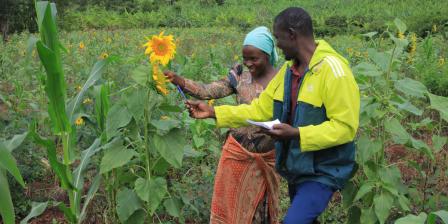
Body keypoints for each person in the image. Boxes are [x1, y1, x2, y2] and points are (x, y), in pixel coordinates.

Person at [185, 7, 360, 224]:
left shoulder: (334, 71)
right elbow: (259, 109)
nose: (276, 45)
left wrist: (296, 134)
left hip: (324, 170)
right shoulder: (288, 72)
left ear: (292, 34)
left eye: (278, 38)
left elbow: (345, 127)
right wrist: (213, 112)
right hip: (298, 166)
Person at [164, 26, 281, 224]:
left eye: (254, 58)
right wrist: (180, 81)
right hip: (238, 155)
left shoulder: (282, 80)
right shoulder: (240, 75)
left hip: (268, 159)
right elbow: (209, 90)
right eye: (246, 58)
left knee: (260, 211)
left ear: (268, 55)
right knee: (230, 209)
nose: (248, 63)